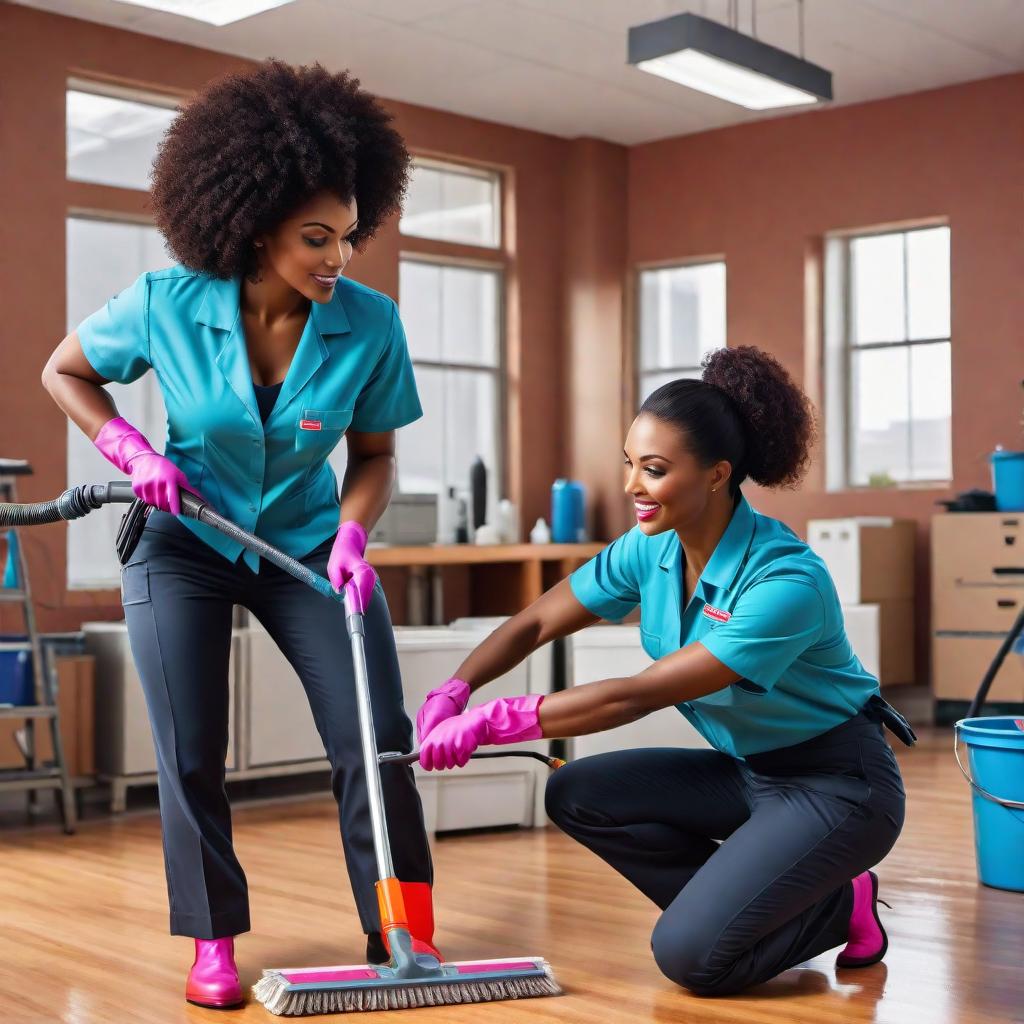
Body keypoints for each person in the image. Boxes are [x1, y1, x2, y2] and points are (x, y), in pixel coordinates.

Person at [42, 60, 436, 1009]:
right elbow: (65, 371)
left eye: (348, 235)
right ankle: (213, 939)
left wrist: (352, 533)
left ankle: (402, 929)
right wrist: (132, 448)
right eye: (315, 238)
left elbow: (374, 457)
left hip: (307, 547)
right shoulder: (165, 301)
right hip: (185, 539)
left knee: (375, 739)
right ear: (254, 223)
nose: (337, 257)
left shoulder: (371, 325)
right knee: (189, 750)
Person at [414, 346, 914, 997]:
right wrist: (457, 688)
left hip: (838, 786)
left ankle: (835, 904)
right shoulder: (651, 550)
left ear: (716, 475)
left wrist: (494, 723)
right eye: (629, 465)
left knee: (693, 960)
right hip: (750, 772)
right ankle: (749, 902)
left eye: (652, 470)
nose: (631, 488)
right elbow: (537, 622)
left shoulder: (786, 581)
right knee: (577, 793)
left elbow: (636, 697)